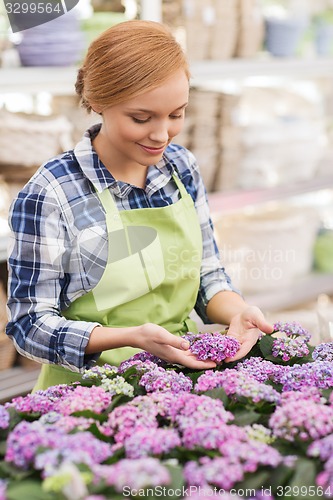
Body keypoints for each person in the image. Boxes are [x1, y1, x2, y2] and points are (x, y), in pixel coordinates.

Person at [6, 20, 273, 390]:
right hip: (87, 398)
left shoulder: (181, 168)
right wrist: (130, 337)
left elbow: (207, 276)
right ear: (98, 101)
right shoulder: (52, 192)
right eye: (141, 118)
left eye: (176, 114)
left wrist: (238, 311)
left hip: (178, 381)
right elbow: (28, 325)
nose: (162, 134)